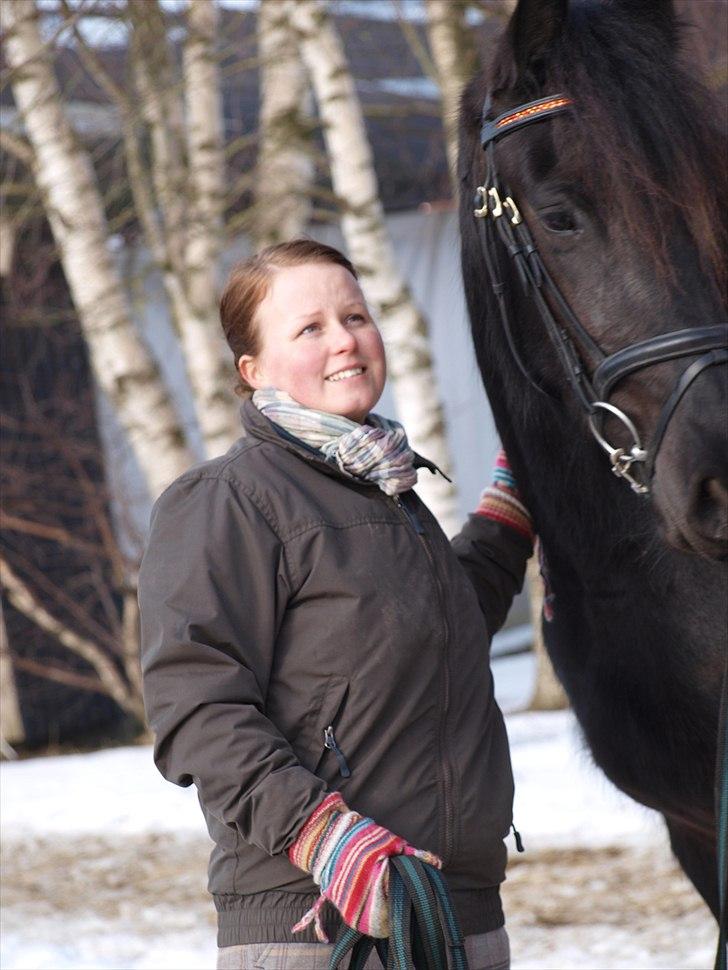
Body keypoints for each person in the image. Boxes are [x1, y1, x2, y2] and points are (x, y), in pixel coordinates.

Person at [139, 239, 534, 970]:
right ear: (253, 371)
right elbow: (194, 706)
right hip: (319, 926)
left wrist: (514, 501)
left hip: (456, 913)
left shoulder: (388, 491)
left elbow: (440, 630)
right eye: (310, 328)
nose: (345, 340)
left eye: (355, 315)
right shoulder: (229, 500)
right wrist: (323, 835)